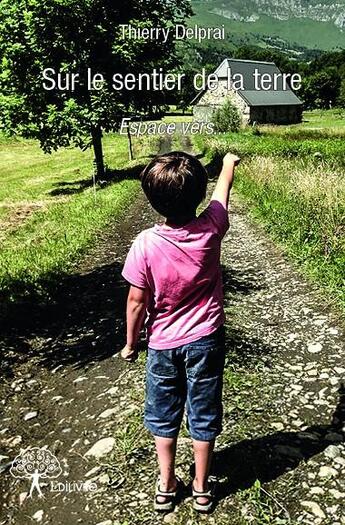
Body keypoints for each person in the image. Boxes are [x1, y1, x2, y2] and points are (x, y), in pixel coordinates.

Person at [121, 151, 240, 513]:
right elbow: (222, 195)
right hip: (206, 339)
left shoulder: (144, 244)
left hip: (162, 344)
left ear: (152, 199)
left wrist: (130, 344)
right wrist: (228, 165)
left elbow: (136, 303)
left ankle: (167, 483)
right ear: (198, 194)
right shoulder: (211, 228)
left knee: (163, 413)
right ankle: (202, 488)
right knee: (203, 411)